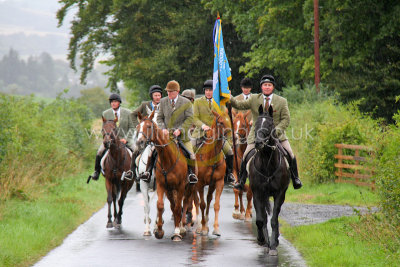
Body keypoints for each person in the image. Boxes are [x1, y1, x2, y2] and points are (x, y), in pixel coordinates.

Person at [230, 75, 302, 190]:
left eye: (269, 85)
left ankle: (296, 179)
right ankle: (241, 181)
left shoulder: (281, 101)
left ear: (273, 87)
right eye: (265, 85)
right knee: (245, 155)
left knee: (290, 154)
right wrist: (229, 97)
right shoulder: (254, 98)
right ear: (261, 87)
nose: (267, 87)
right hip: (256, 135)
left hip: (277, 135)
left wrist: (276, 131)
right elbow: (238, 105)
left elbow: (286, 119)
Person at [191, 79, 235, 182]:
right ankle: (190, 173)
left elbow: (224, 116)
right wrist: (203, 126)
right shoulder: (198, 102)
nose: (208, 92)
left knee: (229, 152)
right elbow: (195, 118)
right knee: (190, 150)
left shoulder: (220, 103)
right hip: (200, 133)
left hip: (217, 134)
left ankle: (229, 173)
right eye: (206, 90)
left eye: (210, 90)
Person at [155, 80, 198, 183]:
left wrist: (180, 130)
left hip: (182, 137)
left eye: (171, 91)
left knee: (191, 155)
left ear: (178, 91)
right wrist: (163, 128)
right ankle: (149, 174)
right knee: (152, 153)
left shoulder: (186, 102)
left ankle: (191, 175)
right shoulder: (163, 101)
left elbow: (189, 119)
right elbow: (159, 118)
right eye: (168, 91)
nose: (169, 93)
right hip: (166, 137)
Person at [90, 93, 135, 181]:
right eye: (111, 102)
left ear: (119, 103)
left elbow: (132, 127)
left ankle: (135, 173)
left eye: (115, 102)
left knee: (136, 151)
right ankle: (96, 172)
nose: (113, 103)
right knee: (99, 152)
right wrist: (106, 139)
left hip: (125, 139)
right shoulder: (105, 113)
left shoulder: (128, 113)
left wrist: (126, 139)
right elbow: (104, 128)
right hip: (110, 140)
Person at [125, 85, 163, 181]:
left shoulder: (165, 105)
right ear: (152, 96)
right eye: (155, 95)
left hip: (161, 134)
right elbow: (132, 114)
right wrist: (139, 126)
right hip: (147, 134)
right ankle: (131, 171)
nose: (158, 97)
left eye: (159, 95)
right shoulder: (144, 105)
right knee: (136, 151)